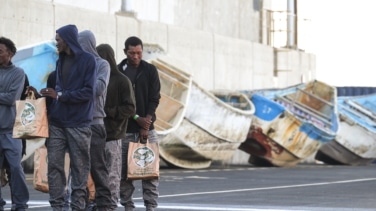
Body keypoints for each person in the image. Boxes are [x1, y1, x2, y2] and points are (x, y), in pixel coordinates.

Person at [41, 24, 97, 211]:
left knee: (79, 170)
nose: (56, 43)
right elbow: (59, 90)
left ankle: (78, 207)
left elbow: (89, 92)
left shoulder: (88, 61)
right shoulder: (60, 61)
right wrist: (48, 95)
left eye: (58, 39)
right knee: (54, 168)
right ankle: (57, 207)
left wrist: (61, 96)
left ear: (67, 40)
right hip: (57, 123)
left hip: (79, 124)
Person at [117, 36, 161, 211]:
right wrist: (136, 118)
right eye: (132, 53)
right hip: (126, 130)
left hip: (148, 128)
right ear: (125, 52)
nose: (136, 56)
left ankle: (151, 206)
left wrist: (146, 124)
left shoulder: (150, 70)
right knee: (124, 172)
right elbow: (119, 102)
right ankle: (128, 205)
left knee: (151, 171)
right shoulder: (119, 71)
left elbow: (154, 98)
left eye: (139, 53)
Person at [77, 30, 115, 211]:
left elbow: (99, 88)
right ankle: (81, 205)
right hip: (77, 123)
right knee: (78, 170)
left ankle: (105, 206)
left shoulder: (102, 64)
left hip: (95, 123)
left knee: (98, 169)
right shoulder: (75, 64)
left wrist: (78, 89)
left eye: (81, 44)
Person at [96, 43, 136, 209]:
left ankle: (111, 206)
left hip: (113, 135)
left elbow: (130, 108)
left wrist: (109, 111)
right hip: (96, 134)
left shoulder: (121, 80)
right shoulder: (96, 79)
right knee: (97, 176)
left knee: (112, 176)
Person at [0, 36, 29, 211]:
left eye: (0, 51)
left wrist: (5, 95)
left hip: (11, 130)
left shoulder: (18, 73)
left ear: (10, 54)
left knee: (15, 169)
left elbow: (12, 98)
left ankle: (20, 204)